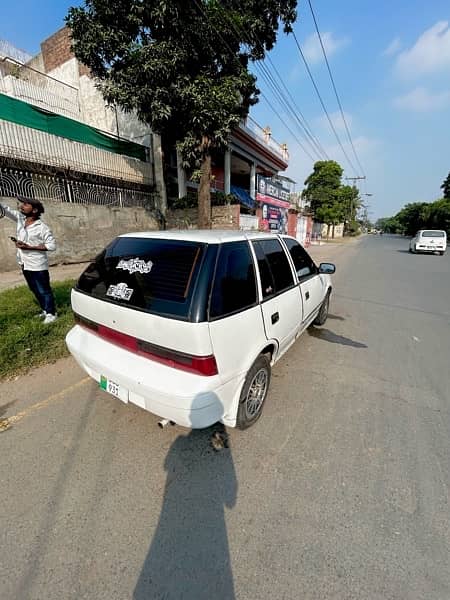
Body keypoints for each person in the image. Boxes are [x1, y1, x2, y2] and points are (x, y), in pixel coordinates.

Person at [0, 195, 58, 324]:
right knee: (34, 289)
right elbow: (7, 210)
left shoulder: (42, 227)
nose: (21, 206)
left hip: (37, 264)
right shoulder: (21, 219)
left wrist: (29, 247)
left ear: (35, 210)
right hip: (24, 263)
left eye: (25, 204)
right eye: (22, 204)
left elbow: (51, 246)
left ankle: (51, 313)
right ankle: (44, 309)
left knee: (44, 290)